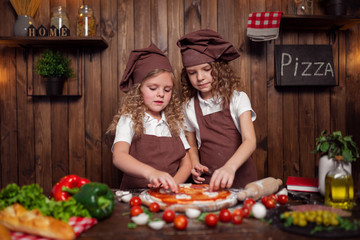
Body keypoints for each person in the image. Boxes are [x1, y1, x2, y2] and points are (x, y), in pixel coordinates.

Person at [177, 29, 257, 191]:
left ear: (219, 69)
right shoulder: (189, 107)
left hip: (242, 180)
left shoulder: (238, 99)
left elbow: (250, 141)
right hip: (208, 183)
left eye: (207, 69)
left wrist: (229, 167)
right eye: (192, 73)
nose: (200, 77)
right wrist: (195, 163)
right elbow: (191, 145)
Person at [107, 43, 192, 192]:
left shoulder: (174, 122)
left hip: (168, 194)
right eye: (153, 88)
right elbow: (119, 156)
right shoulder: (130, 118)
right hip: (134, 194)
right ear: (138, 90)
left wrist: (171, 184)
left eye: (167, 90)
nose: (161, 94)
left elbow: (187, 164)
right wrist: (151, 173)